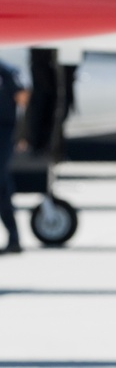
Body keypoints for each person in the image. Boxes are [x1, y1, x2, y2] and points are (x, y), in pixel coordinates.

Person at [0, 59, 29, 254]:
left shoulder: (6, 71)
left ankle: (14, 238)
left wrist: (23, 131)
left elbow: (22, 97)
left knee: (1, 184)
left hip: (4, 131)